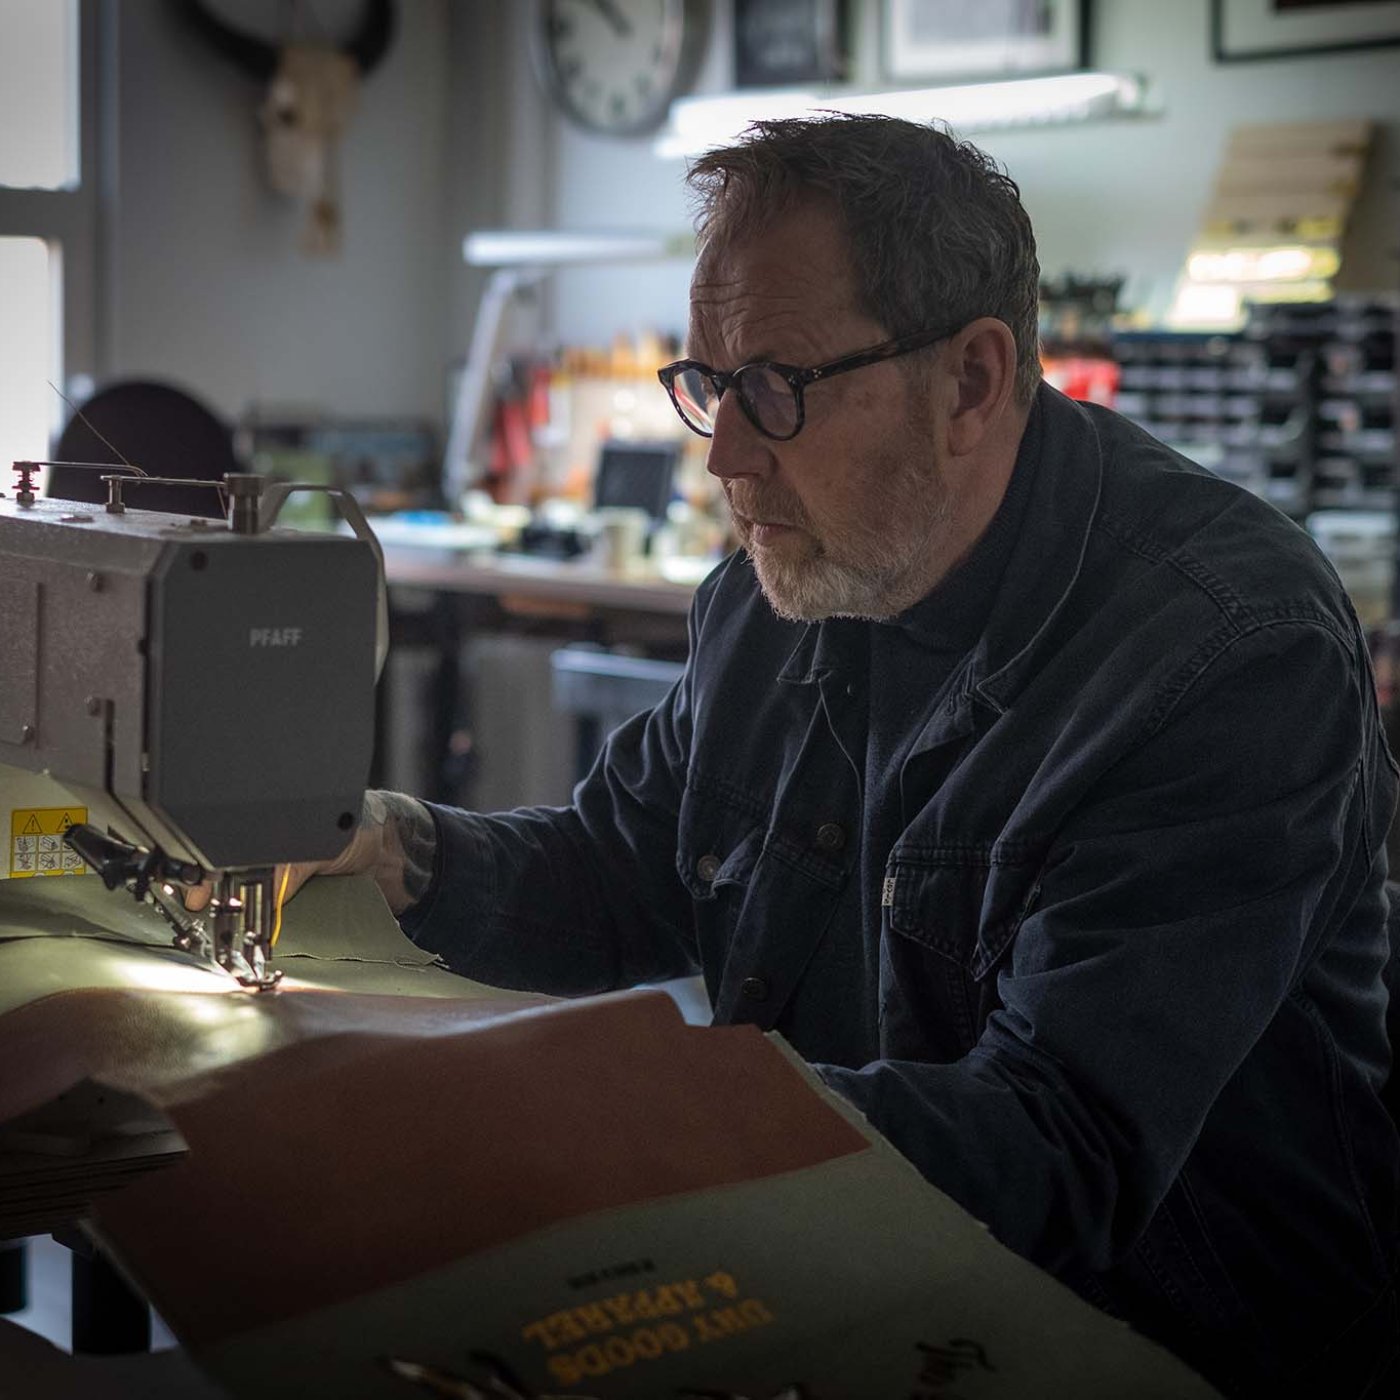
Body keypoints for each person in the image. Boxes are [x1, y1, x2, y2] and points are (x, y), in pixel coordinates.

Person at [267, 118, 1400, 1396]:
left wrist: (619, 1119)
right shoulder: (784, 581)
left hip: (1171, 1338)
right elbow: (617, 870)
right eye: (707, 383)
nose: (723, 457)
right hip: (870, 1281)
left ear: (971, 380)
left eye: (775, 388)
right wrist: (384, 844)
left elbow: (1058, 1143)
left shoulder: (1222, 652)